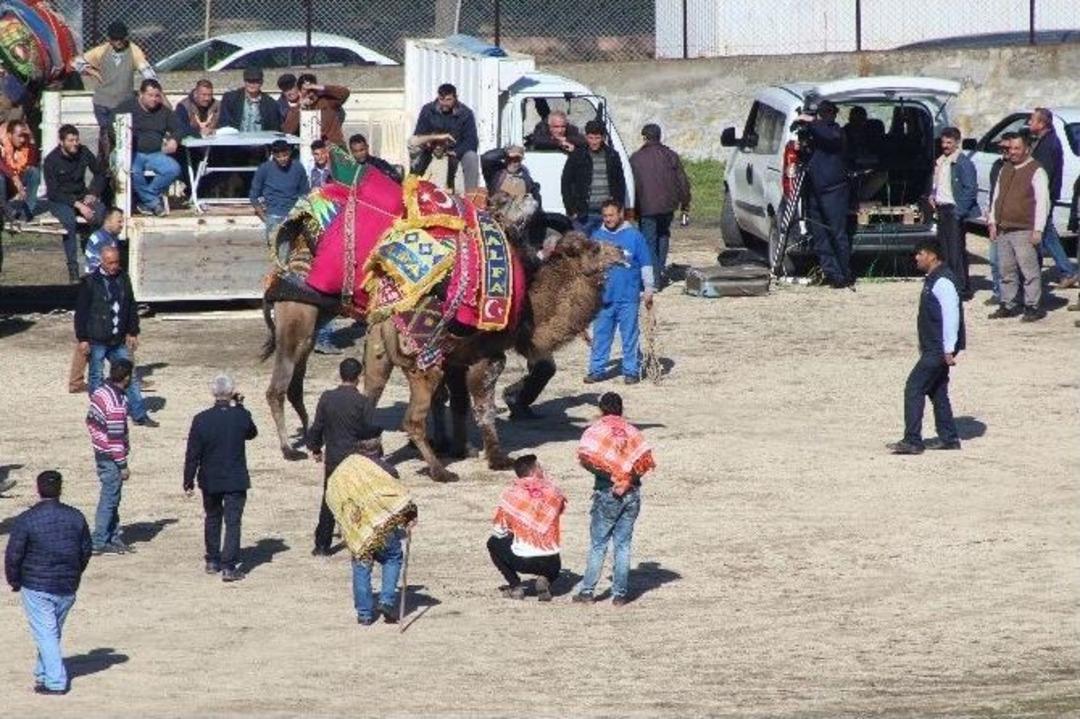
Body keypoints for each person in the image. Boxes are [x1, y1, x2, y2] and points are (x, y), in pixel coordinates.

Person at [4, 471, 92, 695]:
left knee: (46, 633)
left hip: (37, 586)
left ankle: (55, 681)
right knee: (50, 632)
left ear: (37, 489)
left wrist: (14, 581)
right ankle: (43, 673)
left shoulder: (28, 519)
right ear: (61, 488)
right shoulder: (76, 517)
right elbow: (86, 550)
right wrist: (75, 572)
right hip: (67, 585)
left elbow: (14, 554)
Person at [572, 392, 656, 606]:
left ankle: (588, 592)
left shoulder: (596, 431)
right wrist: (627, 480)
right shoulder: (633, 431)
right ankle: (619, 595)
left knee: (598, 544)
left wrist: (611, 477)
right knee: (623, 545)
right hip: (632, 493)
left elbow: (587, 458)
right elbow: (643, 462)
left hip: (606, 492)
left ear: (601, 409)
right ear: (621, 409)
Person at [327, 430, 415, 625]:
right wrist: (410, 517)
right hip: (384, 528)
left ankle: (365, 614)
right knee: (392, 558)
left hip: (358, 529)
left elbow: (334, 493)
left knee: (361, 566)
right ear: (378, 445)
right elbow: (397, 497)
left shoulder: (344, 470)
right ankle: (386, 600)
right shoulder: (387, 470)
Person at [887, 240, 966, 455]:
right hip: (935, 347)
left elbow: (952, 316)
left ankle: (912, 440)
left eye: (920, 254)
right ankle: (949, 438)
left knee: (914, 388)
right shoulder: (934, 279)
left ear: (932, 256)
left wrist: (948, 348)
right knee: (937, 389)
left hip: (938, 348)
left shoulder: (942, 281)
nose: (916, 258)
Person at [183, 374, 258, 582]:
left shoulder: (201, 419)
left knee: (212, 518)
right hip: (235, 478)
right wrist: (240, 406)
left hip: (210, 478)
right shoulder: (240, 416)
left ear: (213, 393)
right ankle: (229, 565)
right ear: (231, 392)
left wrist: (188, 480)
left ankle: (212, 559)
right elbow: (251, 433)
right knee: (233, 522)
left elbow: (192, 453)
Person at [74, 245, 155, 425]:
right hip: (97, 339)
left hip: (118, 339)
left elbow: (131, 306)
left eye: (116, 262)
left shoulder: (123, 278)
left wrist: (133, 331)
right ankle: (99, 413)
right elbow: (81, 312)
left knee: (130, 376)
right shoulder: (90, 282)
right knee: (96, 377)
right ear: (102, 261)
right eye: (110, 263)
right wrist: (83, 338)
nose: (114, 266)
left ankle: (139, 415)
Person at [306, 358, 375, 556]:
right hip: (355, 456)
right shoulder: (362, 402)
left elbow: (317, 425)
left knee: (329, 498)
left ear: (340, 374)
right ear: (358, 377)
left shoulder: (327, 398)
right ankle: (359, 540)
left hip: (334, 456)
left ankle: (321, 544)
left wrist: (315, 448)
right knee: (357, 498)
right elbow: (368, 431)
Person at [583, 199, 654, 385]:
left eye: (611, 215)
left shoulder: (634, 236)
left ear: (620, 213)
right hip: (604, 298)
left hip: (628, 296)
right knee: (601, 335)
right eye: (605, 216)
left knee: (629, 335)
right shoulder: (596, 236)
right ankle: (596, 369)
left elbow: (646, 263)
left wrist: (648, 289)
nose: (608, 219)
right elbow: (588, 266)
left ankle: (630, 370)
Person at [987, 133, 1049, 322]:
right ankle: (1009, 303)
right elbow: (996, 197)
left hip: (1024, 229)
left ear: (1026, 149)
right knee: (1006, 269)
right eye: (1010, 148)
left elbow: (1042, 201)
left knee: (1029, 270)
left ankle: (1032, 306)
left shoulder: (1036, 170)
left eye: (1016, 149)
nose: (1012, 152)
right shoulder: (1005, 168)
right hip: (1004, 228)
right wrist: (992, 221)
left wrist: (1038, 229)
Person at [487, 454, 566, 601]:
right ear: (534, 471)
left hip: (522, 560)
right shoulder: (554, 491)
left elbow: (499, 531)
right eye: (540, 467)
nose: (543, 470)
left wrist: (515, 532)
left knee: (492, 542)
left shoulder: (510, 494)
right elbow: (559, 511)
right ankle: (546, 578)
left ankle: (515, 586)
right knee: (549, 546)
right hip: (551, 562)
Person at [73, 20, 157, 153]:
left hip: (123, 103)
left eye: (121, 38)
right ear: (109, 39)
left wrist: (150, 90)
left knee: (122, 136)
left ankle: (117, 166)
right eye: (114, 39)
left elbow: (147, 72)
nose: (118, 42)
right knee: (106, 133)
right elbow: (76, 63)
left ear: (126, 37)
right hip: (102, 101)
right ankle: (106, 167)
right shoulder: (101, 51)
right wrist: (92, 72)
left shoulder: (133, 50)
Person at [68, 207, 125, 394]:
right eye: (119, 220)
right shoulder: (99, 239)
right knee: (92, 337)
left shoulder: (110, 239)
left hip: (102, 289)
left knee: (101, 336)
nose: (121, 224)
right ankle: (124, 376)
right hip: (96, 292)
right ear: (108, 220)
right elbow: (96, 268)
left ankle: (124, 375)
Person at [798, 99, 852, 288]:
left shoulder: (835, 131)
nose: (821, 117)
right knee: (820, 234)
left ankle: (843, 274)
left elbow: (830, 138)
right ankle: (830, 272)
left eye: (823, 114)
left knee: (837, 234)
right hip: (814, 189)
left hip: (833, 190)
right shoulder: (815, 131)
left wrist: (813, 123)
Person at [43, 124, 107, 282]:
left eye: (76, 140)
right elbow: (53, 192)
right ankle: (73, 269)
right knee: (69, 223)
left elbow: (100, 173)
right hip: (61, 199)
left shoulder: (83, 152)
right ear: (62, 142)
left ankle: (94, 261)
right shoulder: (51, 160)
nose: (75, 144)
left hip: (81, 194)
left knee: (100, 213)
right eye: (71, 140)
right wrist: (78, 205)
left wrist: (93, 192)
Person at [630, 123, 691, 285]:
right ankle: (660, 270)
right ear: (659, 136)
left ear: (644, 137)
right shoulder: (671, 155)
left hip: (646, 206)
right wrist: (685, 203)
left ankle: (654, 279)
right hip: (668, 205)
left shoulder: (636, 158)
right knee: (663, 235)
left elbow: (632, 185)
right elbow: (683, 182)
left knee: (649, 240)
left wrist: (631, 209)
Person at [86, 358, 136, 555]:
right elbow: (115, 437)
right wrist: (123, 464)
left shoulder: (100, 392)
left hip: (101, 451)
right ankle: (99, 540)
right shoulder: (116, 403)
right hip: (111, 457)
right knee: (110, 497)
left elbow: (90, 420)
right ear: (126, 377)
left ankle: (112, 536)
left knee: (112, 496)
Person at [115, 79, 181, 216]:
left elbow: (179, 128)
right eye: (150, 95)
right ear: (141, 94)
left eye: (157, 96)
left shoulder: (164, 111)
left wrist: (174, 139)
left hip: (155, 153)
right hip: (133, 153)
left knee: (173, 169)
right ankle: (154, 204)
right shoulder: (127, 107)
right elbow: (112, 124)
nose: (154, 99)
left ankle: (146, 201)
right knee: (133, 172)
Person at [1028, 107, 1077, 287]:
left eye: (1032, 120)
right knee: (1046, 232)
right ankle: (1063, 270)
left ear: (1042, 124)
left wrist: (1039, 198)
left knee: (1045, 232)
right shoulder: (1043, 140)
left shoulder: (1049, 143)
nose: (1029, 123)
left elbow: (1044, 173)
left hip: (1043, 196)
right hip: (1043, 196)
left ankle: (1067, 271)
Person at [929, 127, 979, 300]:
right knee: (945, 251)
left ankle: (963, 288)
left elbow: (970, 189)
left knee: (956, 251)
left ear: (957, 143)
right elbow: (938, 183)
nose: (945, 146)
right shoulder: (941, 161)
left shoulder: (963, 162)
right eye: (943, 142)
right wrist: (932, 195)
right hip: (942, 209)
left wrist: (959, 212)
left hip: (953, 210)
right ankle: (950, 284)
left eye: (949, 142)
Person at [561, 120, 627, 237]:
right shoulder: (577, 155)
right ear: (586, 137)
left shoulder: (612, 155)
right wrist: (571, 210)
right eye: (591, 138)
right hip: (584, 214)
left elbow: (620, 183)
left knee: (605, 248)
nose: (594, 142)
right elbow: (566, 182)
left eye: (597, 138)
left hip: (606, 213)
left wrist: (619, 208)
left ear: (603, 138)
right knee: (582, 249)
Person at [250, 139, 308, 264]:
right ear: (273, 155)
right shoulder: (264, 169)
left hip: (293, 217)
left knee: (287, 255)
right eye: (278, 156)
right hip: (273, 217)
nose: (282, 159)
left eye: (285, 155)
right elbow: (253, 196)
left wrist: (300, 214)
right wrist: (265, 218)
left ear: (290, 152)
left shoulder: (298, 167)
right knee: (276, 255)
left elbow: (305, 193)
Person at [412, 83, 479, 190]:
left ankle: (471, 196)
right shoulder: (428, 110)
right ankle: (413, 187)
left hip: (456, 150)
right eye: (441, 99)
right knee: (414, 147)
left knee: (472, 156)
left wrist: (456, 152)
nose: (444, 103)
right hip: (432, 148)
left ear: (455, 98)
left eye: (448, 100)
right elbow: (419, 134)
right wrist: (431, 142)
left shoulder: (466, 114)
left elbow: (472, 141)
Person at [983, 136, 1015, 307]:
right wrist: (989, 215)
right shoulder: (997, 166)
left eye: (1007, 148)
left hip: (1013, 221)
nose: (1004, 152)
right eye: (1001, 148)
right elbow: (991, 191)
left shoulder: (1019, 168)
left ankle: (1014, 296)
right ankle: (998, 292)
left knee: (1012, 263)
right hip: (996, 219)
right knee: (994, 259)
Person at [283, 74, 350, 147]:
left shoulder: (328, 101)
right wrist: (300, 109)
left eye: (312, 89)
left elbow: (345, 92)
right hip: (310, 149)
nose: (310, 93)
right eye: (305, 90)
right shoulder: (296, 109)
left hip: (333, 146)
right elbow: (288, 131)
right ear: (300, 91)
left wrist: (319, 87)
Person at [218, 66, 282, 133]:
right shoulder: (230, 99)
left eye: (256, 81)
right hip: (236, 141)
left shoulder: (271, 104)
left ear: (261, 82)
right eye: (249, 81)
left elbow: (274, 129)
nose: (252, 84)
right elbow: (224, 124)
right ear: (244, 81)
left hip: (261, 142)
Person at [0, 119, 40, 223]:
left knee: (34, 172)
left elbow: (32, 163)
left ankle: (26, 212)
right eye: (19, 136)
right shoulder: (1, 144)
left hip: (12, 186)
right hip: (3, 184)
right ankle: (7, 211)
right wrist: (14, 177)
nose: (22, 140)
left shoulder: (24, 145)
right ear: (9, 135)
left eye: (24, 136)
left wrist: (31, 138)